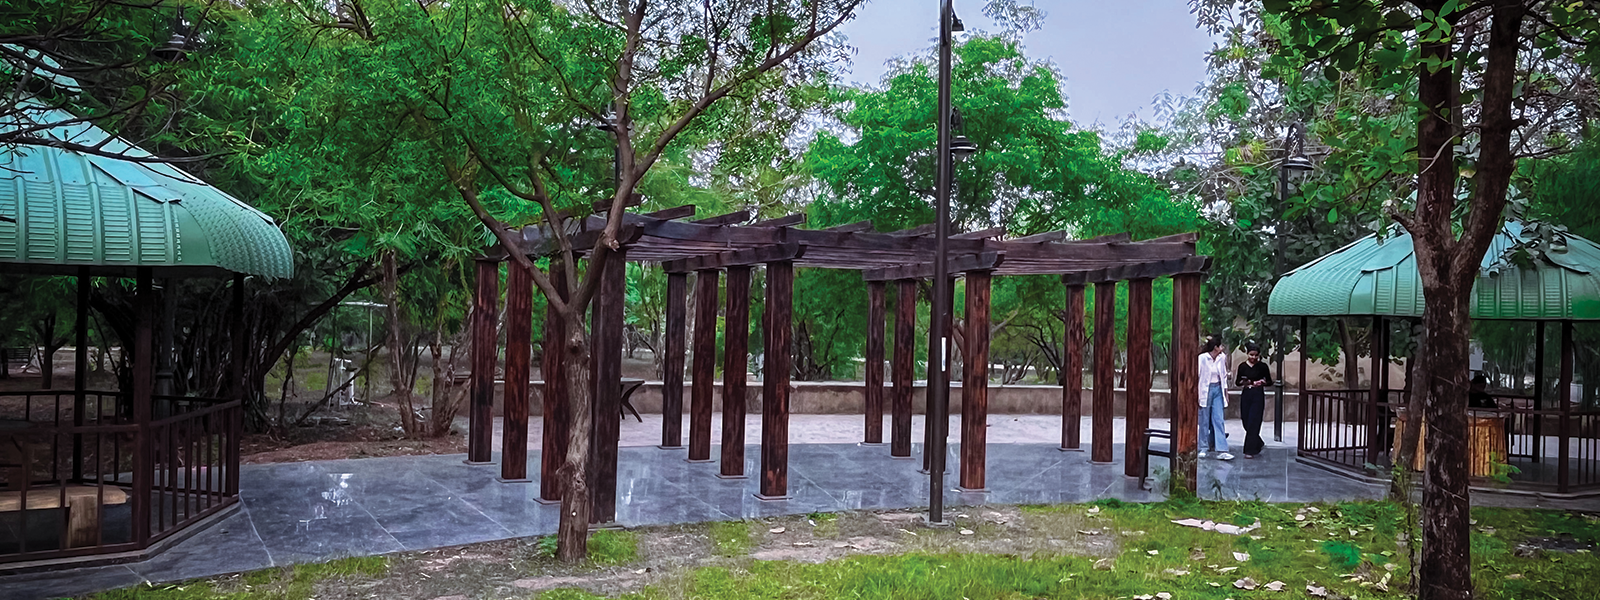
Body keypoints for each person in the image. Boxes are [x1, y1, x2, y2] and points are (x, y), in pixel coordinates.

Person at [1198, 337, 1233, 460]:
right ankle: (1203, 447)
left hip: (1218, 388)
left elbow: (1223, 375)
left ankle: (1222, 449)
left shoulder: (1221, 357)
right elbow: (1198, 375)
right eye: (1220, 346)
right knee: (1204, 420)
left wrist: (1226, 392)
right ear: (1215, 347)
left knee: (1218, 418)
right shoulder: (1202, 358)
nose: (1222, 348)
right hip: (1205, 390)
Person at [1235, 344, 1272, 459]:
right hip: (1246, 394)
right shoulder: (1242, 367)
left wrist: (1262, 382)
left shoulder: (1263, 366)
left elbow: (1270, 381)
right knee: (1246, 420)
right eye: (1251, 355)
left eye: (1256, 355)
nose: (1253, 357)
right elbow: (1237, 382)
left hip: (1257, 394)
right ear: (1247, 354)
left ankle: (1249, 450)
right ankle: (1258, 442)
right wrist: (1245, 382)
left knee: (1254, 421)